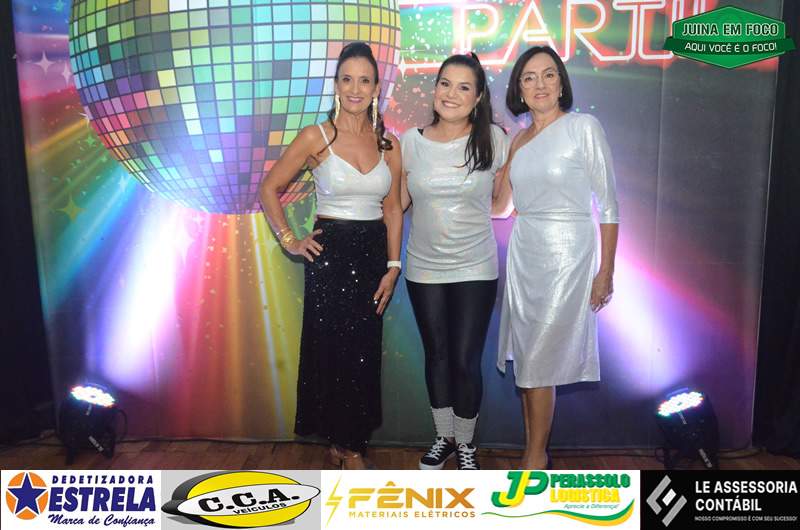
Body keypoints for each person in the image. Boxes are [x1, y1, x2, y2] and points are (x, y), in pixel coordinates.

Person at [259, 42, 403, 470]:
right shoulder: (316, 136)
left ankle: (345, 443)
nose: (355, 89)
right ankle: (350, 448)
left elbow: (393, 209)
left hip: (373, 255)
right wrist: (290, 239)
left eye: (364, 80)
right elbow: (269, 188)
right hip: (330, 255)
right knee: (332, 352)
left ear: (376, 88)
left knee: (363, 354)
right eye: (347, 79)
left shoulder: (389, 144)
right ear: (336, 85)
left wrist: (393, 267)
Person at [497, 45, 619, 469]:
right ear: (519, 89)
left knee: (541, 360)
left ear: (561, 83)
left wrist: (606, 271)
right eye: (529, 77)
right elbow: (501, 206)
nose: (540, 84)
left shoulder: (583, 127)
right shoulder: (517, 140)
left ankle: (534, 458)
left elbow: (609, 205)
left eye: (548, 74)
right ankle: (535, 450)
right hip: (525, 255)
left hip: (568, 255)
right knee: (529, 359)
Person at [400, 53, 510, 470]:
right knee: (438, 356)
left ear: (478, 97)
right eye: (445, 83)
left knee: (465, 359)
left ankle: (465, 443)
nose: (451, 93)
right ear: (435, 89)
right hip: (423, 267)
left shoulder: (493, 140)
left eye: (464, 87)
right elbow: (397, 203)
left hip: (476, 267)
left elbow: (503, 201)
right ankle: (443, 436)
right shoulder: (410, 142)